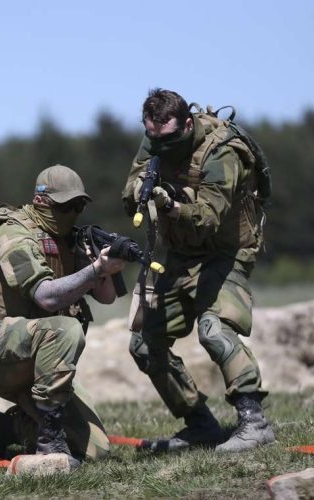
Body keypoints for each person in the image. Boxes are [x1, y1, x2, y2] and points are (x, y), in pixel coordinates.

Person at [0, 164, 126, 467]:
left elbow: (107, 297)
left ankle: (3, 429)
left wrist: (104, 267)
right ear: (41, 201)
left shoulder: (65, 240)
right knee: (64, 329)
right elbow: (46, 296)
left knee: (96, 450)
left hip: (37, 356)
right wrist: (95, 270)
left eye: (79, 206)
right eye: (66, 206)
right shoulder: (13, 235)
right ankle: (49, 445)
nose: (73, 213)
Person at [121, 88, 275, 452]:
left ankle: (254, 422)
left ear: (187, 125)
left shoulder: (222, 151)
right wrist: (141, 189)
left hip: (225, 253)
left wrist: (172, 205)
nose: (161, 148)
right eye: (153, 139)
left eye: (169, 140)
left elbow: (208, 217)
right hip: (180, 254)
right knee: (145, 344)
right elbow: (129, 194)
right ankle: (200, 424)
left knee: (213, 329)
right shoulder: (156, 141)